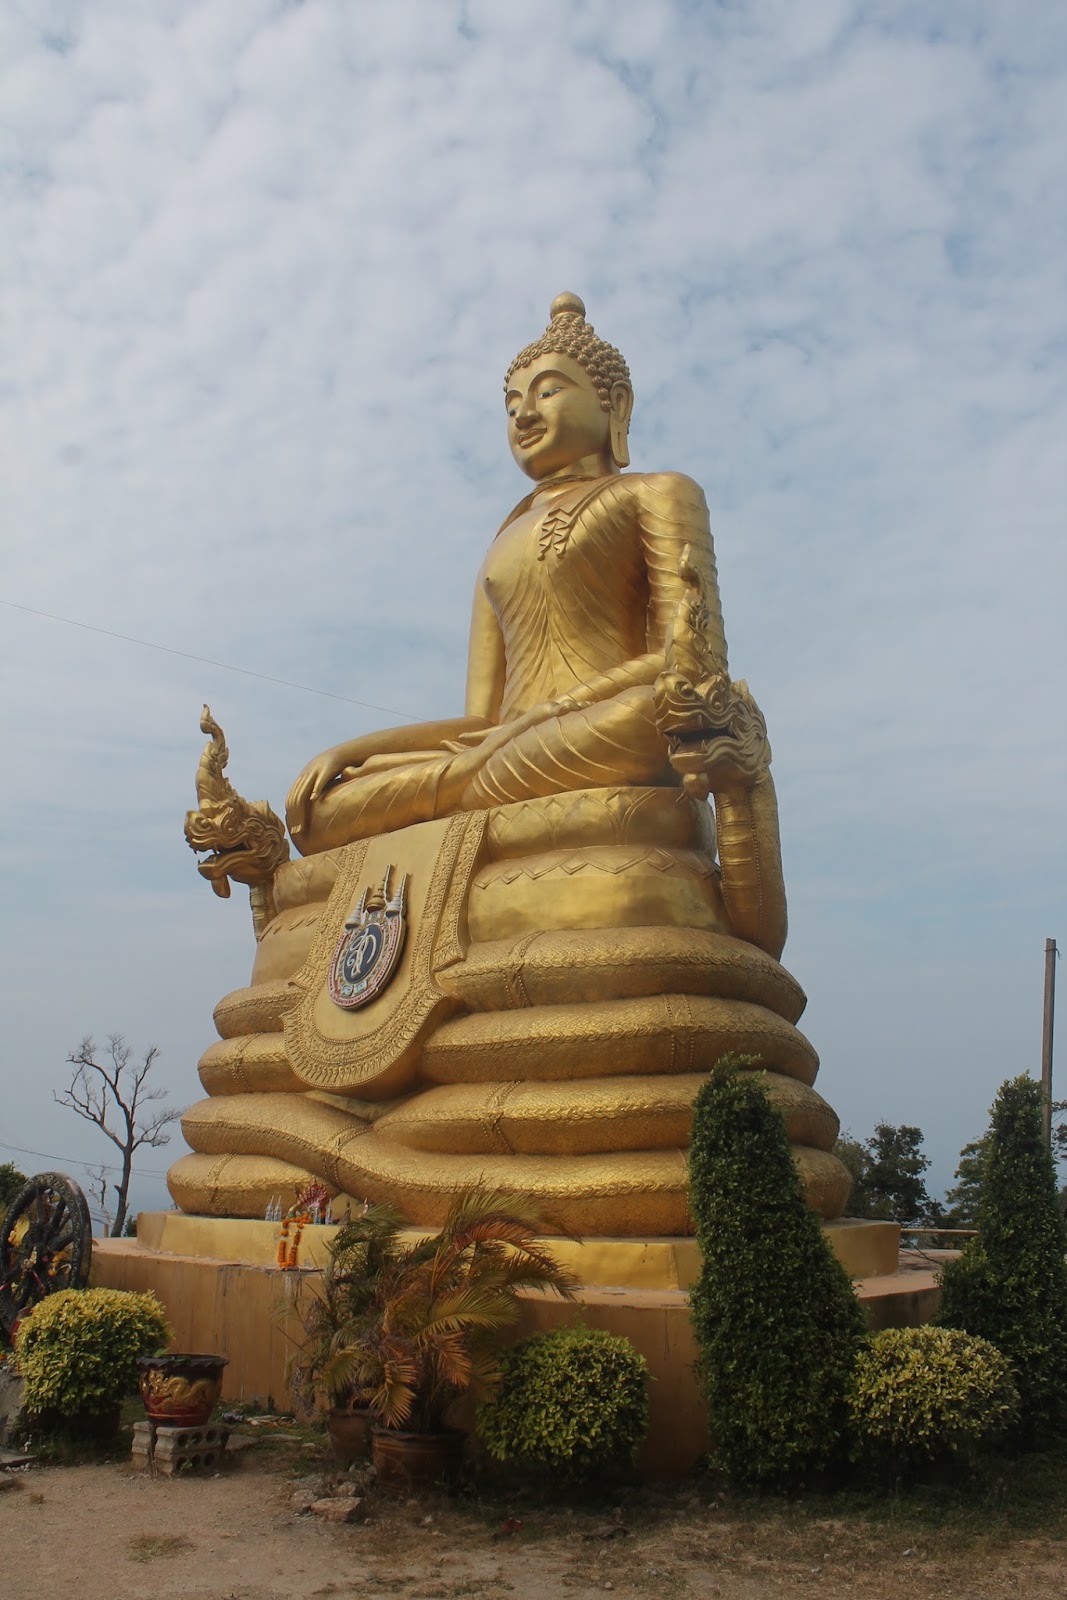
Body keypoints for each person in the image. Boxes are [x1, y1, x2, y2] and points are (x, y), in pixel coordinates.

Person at [285, 292, 728, 856]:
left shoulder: (656, 493)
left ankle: (456, 800)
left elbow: (694, 665)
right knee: (323, 806)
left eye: (548, 391)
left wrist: (553, 713)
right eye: (513, 402)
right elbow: (479, 721)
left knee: (644, 716)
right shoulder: (502, 541)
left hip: (604, 734)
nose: (524, 414)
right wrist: (354, 753)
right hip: (508, 753)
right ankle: (464, 794)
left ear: (615, 403)